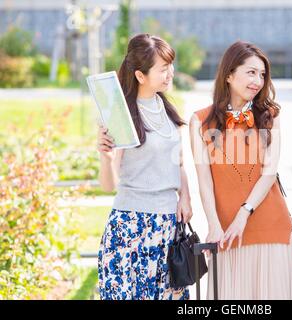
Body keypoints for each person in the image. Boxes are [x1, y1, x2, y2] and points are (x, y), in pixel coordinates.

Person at [189, 41, 292, 300]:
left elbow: (270, 171)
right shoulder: (200, 121)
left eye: (262, 75)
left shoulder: (270, 116)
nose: (258, 81)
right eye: (251, 72)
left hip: (271, 225)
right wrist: (213, 224)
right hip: (226, 232)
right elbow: (204, 181)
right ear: (229, 75)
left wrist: (243, 215)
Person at [96, 34, 192, 300]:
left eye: (170, 66)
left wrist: (186, 196)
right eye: (163, 69)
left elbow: (179, 161)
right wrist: (105, 157)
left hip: (167, 227)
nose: (170, 73)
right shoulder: (121, 114)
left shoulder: (166, 107)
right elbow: (108, 185)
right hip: (131, 227)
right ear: (140, 75)